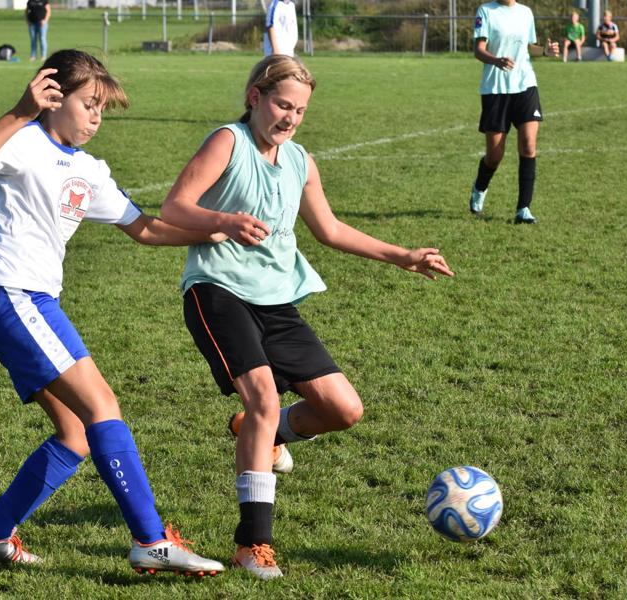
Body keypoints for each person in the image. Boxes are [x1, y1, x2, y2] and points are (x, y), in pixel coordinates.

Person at [159, 55, 454, 580]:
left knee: (343, 410)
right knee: (264, 398)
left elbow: (330, 230)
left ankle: (259, 433)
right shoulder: (227, 141)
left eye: (299, 110)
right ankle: (253, 544)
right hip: (218, 291)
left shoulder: (300, 161)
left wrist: (403, 255)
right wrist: (222, 219)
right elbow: (174, 208)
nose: (290, 118)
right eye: (281, 104)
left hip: (276, 300)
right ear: (255, 97)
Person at [0, 49, 226, 576]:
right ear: (51, 96)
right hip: (11, 295)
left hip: (27, 302)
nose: (96, 117)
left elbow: (145, 228)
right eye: (89, 104)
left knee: (76, 432)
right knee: (102, 405)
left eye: (103, 108)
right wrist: (18, 110)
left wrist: (215, 230)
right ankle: (151, 540)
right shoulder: (23, 140)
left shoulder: (90, 169)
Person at [470, 0, 559, 224]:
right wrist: (496, 60)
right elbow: (478, 51)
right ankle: (480, 187)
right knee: (495, 156)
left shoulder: (526, 13)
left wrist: (545, 51)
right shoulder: (486, 11)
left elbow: (530, 47)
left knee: (528, 145)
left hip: (525, 85)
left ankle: (523, 209)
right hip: (495, 90)